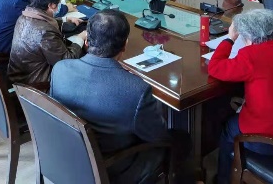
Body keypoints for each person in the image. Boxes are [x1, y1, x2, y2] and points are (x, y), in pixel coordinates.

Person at [50, 10, 195, 184]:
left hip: (69, 157)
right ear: (125, 45)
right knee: (181, 138)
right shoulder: (136, 89)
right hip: (113, 168)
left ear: (87, 41)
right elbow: (158, 135)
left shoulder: (60, 69)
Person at [209, 9, 273, 184]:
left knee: (228, 128)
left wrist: (230, 38)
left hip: (270, 141)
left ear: (249, 38)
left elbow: (215, 67)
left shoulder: (250, 56)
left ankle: (224, 179)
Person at [8, 0, 87, 88]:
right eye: (59, 2)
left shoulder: (23, 17)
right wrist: (80, 38)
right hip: (36, 85)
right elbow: (66, 61)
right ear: (51, 5)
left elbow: (40, 23)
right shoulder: (46, 33)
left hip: (19, 76)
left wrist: (65, 19)